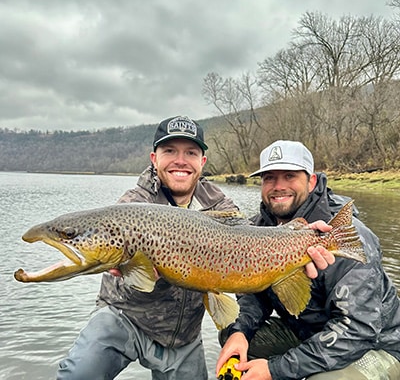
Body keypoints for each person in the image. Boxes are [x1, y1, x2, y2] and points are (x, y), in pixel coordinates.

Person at [56, 120, 333, 380]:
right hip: (123, 319)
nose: (180, 160)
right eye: (169, 151)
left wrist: (302, 238)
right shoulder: (132, 205)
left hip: (183, 337)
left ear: (202, 162)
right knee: (77, 373)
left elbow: (251, 246)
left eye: (190, 152)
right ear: (155, 158)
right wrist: (131, 270)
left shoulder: (220, 205)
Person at [216, 140, 400, 380]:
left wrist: (275, 370)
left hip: (377, 344)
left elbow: (358, 329)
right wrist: (240, 331)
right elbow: (255, 294)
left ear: (311, 181)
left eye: (290, 176)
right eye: (269, 178)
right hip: (309, 334)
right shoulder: (260, 229)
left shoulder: (345, 236)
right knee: (234, 338)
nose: (278, 186)